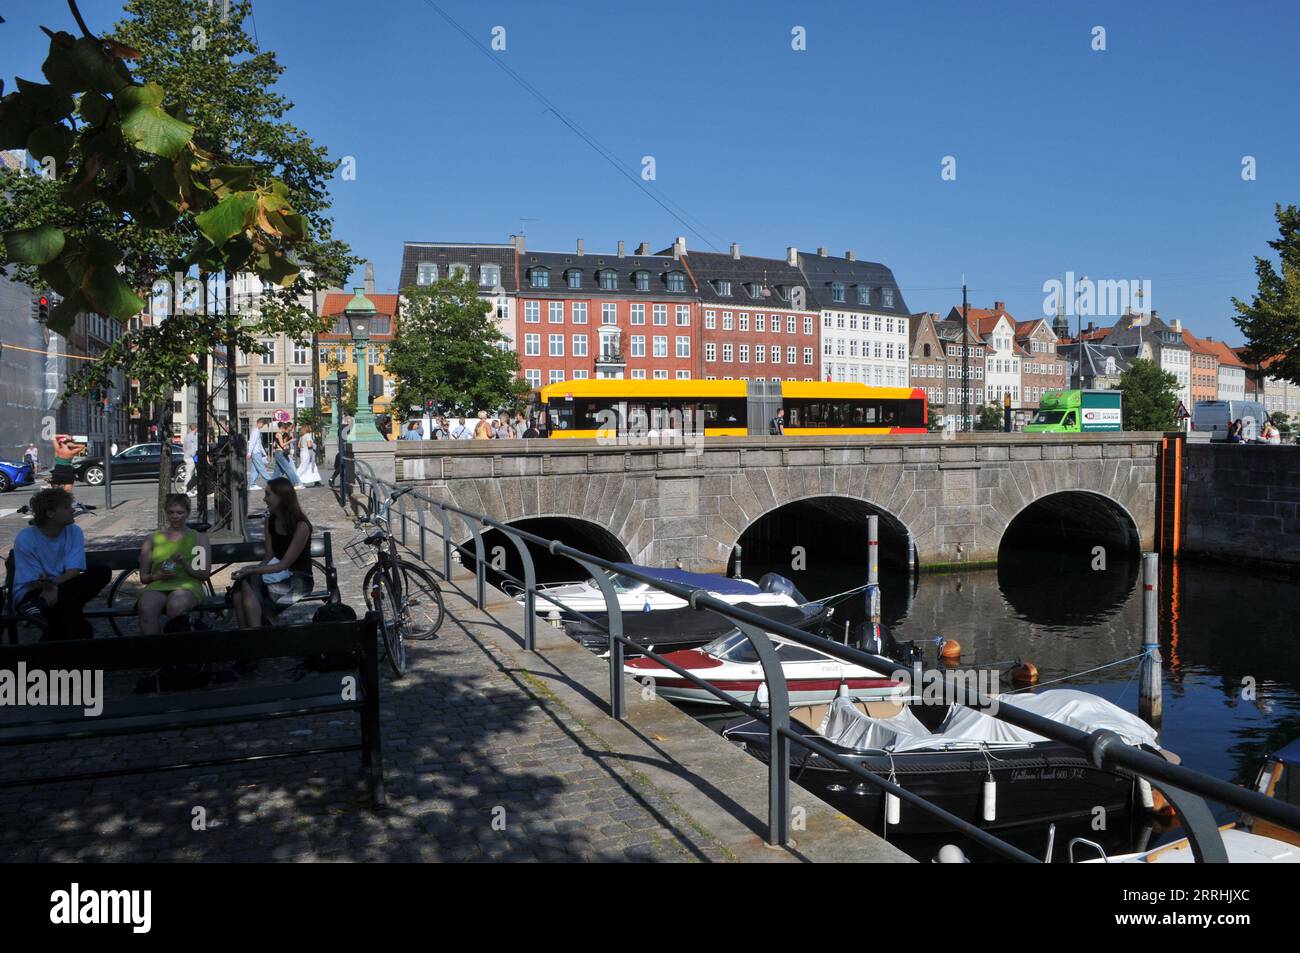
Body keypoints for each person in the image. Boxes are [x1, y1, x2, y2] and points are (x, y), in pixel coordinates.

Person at [12, 487, 111, 639]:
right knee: (72, 614)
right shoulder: (26, 538)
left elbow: (73, 571)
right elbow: (34, 582)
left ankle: (41, 653)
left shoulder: (74, 531)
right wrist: (49, 587)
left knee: (102, 571)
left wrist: (54, 586)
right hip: (31, 596)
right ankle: (80, 636)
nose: (72, 511)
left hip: (61, 587)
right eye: (66, 507)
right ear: (50, 513)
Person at [231, 478, 314, 628]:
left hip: (299, 579)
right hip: (278, 575)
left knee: (249, 586)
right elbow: (269, 556)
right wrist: (251, 570)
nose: (264, 499)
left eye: (268, 495)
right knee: (240, 587)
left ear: (281, 497)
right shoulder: (270, 521)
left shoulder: (301, 526)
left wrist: (253, 570)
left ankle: (255, 638)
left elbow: (285, 563)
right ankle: (246, 637)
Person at [137, 493, 211, 636]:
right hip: (158, 584)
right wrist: (156, 576)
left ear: (188, 513)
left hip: (188, 584)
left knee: (175, 605)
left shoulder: (199, 538)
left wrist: (185, 563)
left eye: (180, 512)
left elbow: (203, 574)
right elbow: (143, 577)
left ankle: (179, 651)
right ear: (166, 513)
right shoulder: (152, 539)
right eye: (171, 512)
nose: (175, 516)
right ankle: (157, 652)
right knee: (147, 606)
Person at [272, 421, 303, 487]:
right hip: (279, 453)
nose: (285, 429)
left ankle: (272, 485)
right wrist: (290, 441)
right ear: (281, 427)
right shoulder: (279, 434)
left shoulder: (281, 434)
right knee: (288, 469)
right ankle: (296, 484)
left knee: (277, 471)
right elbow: (282, 445)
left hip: (279, 453)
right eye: (284, 428)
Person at [248, 418, 275, 489]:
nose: (263, 426)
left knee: (255, 469)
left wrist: (264, 453)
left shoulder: (256, 430)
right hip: (255, 452)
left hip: (256, 452)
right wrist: (249, 452)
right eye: (263, 425)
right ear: (260, 423)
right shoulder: (256, 431)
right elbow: (252, 442)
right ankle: (271, 482)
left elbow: (258, 444)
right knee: (261, 468)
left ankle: (252, 484)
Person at [182, 423, 199, 497]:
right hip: (191, 457)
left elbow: (184, 447)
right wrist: (194, 454)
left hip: (187, 456)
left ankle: (193, 489)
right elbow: (194, 448)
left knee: (192, 473)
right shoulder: (193, 437)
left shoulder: (187, 436)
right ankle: (186, 489)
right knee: (189, 474)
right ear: (195, 428)